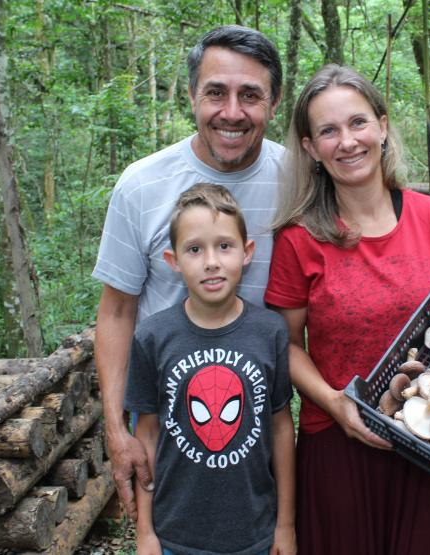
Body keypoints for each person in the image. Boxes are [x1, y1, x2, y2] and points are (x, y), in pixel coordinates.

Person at [264, 64, 430, 554]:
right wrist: (335, 402)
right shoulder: (299, 239)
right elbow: (287, 344)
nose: (347, 141)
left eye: (358, 123)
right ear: (311, 148)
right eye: (328, 131)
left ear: (381, 125)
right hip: (339, 443)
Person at [92, 25, 284, 519]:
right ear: (193, 96)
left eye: (251, 95)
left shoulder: (300, 179)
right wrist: (117, 430)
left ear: (275, 102)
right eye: (215, 92)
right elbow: (116, 311)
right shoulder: (142, 185)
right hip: (162, 411)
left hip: (260, 407)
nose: (232, 112)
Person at [125, 183, 295, 555]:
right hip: (175, 534)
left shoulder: (270, 332)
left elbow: (281, 427)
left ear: (247, 252)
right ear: (173, 260)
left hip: (255, 532)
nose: (211, 262)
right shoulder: (152, 337)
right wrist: (145, 534)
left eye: (224, 246)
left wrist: (286, 525)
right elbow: (147, 435)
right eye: (195, 249)